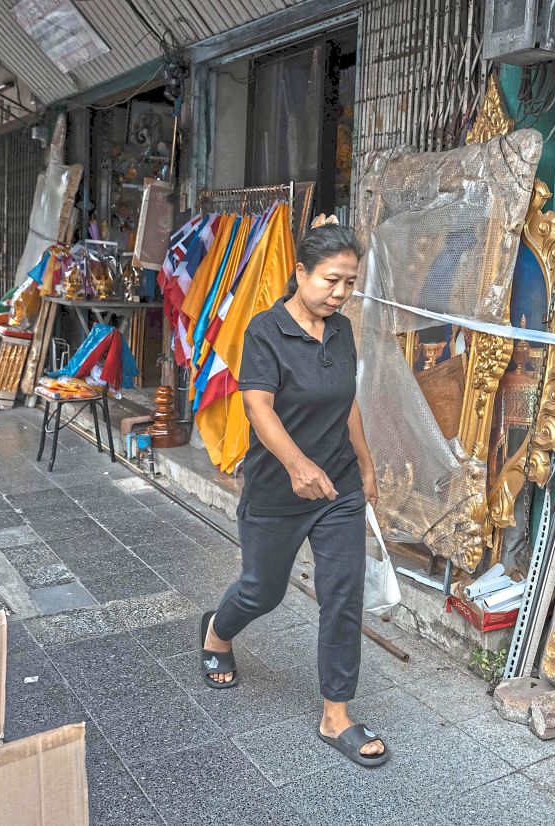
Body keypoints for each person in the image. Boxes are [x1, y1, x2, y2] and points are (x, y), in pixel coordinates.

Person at [199, 224, 388, 767]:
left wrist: (366, 467)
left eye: (350, 283)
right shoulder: (265, 330)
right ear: (301, 272)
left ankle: (336, 715)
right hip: (278, 489)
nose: (340, 293)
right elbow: (259, 406)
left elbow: (345, 403)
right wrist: (297, 464)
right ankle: (216, 631)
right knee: (263, 591)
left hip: (338, 489)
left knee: (342, 594)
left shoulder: (342, 330)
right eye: (332, 280)